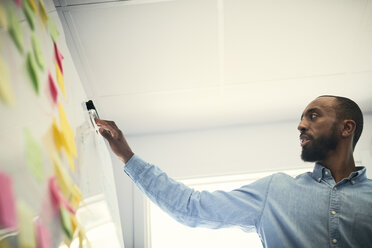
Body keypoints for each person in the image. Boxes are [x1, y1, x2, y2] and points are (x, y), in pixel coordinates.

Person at [96, 95, 372, 248]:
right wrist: (128, 157)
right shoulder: (275, 191)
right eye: (301, 118)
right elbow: (193, 207)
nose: (300, 125)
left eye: (313, 116)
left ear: (347, 128)